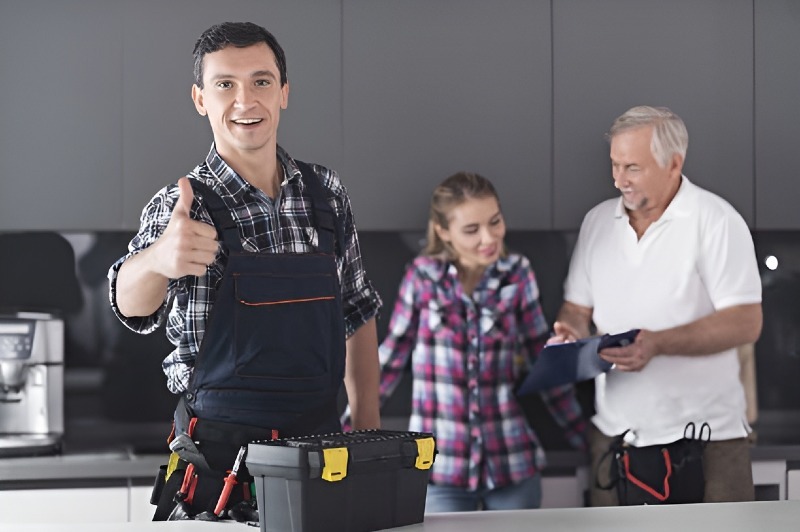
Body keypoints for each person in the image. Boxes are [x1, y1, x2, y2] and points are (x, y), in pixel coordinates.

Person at [107, 22, 382, 519]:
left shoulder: (325, 193)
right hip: (217, 467)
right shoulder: (182, 206)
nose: (244, 100)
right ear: (200, 98)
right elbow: (130, 303)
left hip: (324, 456)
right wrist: (159, 260)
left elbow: (357, 310)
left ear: (283, 93)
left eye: (261, 81)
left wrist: (366, 431)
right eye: (224, 84)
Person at [551, 105, 762, 505]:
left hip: (708, 441)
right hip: (616, 438)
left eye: (632, 167)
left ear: (674, 163)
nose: (618, 180)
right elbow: (576, 308)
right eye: (614, 165)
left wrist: (657, 343)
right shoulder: (597, 223)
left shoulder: (715, 220)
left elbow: (745, 322)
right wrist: (570, 331)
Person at [377, 172, 587, 513]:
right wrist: (344, 432)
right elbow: (389, 362)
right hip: (439, 469)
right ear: (444, 232)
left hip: (511, 464)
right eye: (471, 230)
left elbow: (541, 362)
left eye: (495, 222)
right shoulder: (422, 277)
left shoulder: (517, 273)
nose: (489, 237)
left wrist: (585, 436)